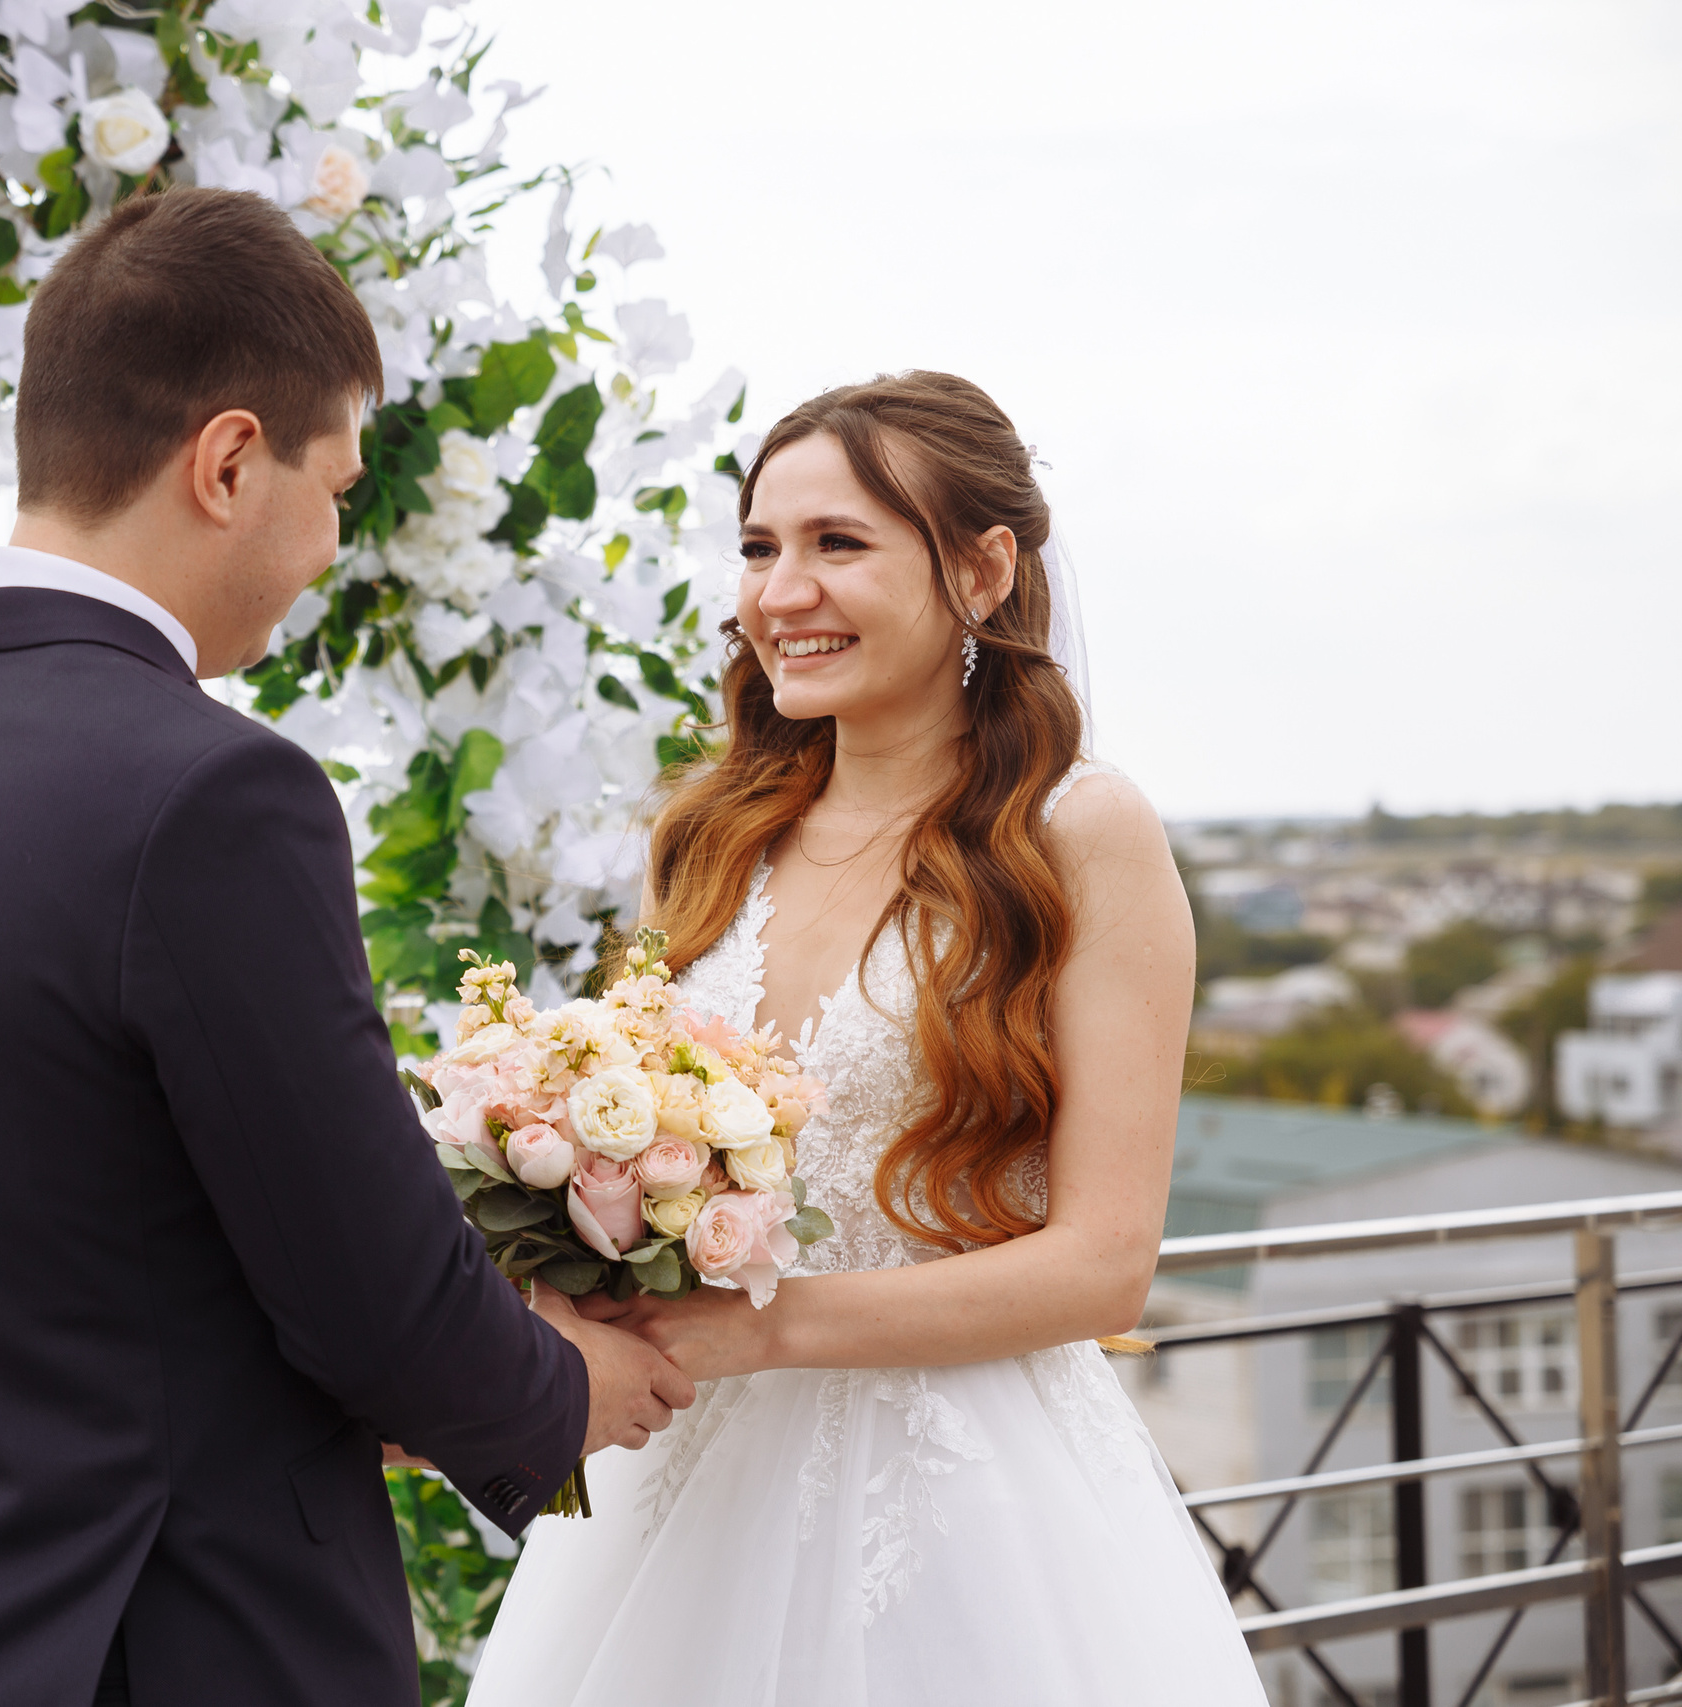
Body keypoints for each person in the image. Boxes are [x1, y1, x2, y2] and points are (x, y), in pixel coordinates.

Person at [0, 186, 693, 1707]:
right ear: (230, 460)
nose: (330, 543)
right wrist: (564, 1390)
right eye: (340, 487)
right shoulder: (215, 793)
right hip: (181, 1634)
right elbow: (361, 1274)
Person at [467, 372, 1268, 1703]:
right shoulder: (713, 835)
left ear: (983, 566)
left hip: (969, 1511)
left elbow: (1107, 1267)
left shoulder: (1082, 834)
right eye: (761, 548)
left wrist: (769, 1330)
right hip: (687, 1483)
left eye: (839, 544)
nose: (783, 592)